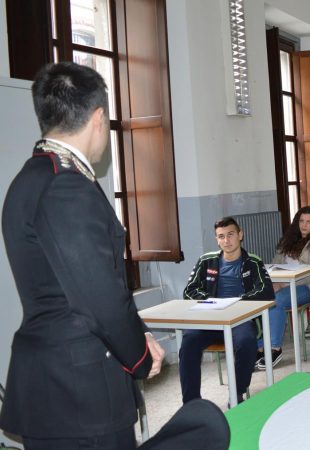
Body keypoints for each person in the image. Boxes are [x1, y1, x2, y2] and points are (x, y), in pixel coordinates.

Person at [0, 62, 171, 449]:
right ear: (98, 117)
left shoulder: (28, 180)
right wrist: (140, 355)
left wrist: (139, 332)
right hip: (81, 389)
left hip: (52, 384)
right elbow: (100, 298)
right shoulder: (67, 188)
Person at [180, 217, 274, 403]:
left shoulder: (253, 261)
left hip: (240, 319)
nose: (226, 241)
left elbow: (266, 291)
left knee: (247, 341)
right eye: (221, 236)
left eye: (230, 235)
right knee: (189, 341)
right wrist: (210, 302)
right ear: (216, 239)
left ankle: (237, 392)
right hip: (211, 319)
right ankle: (191, 402)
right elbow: (189, 290)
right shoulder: (206, 261)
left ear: (240, 235)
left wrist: (238, 302)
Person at [269, 206, 310, 365]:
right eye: (302, 221)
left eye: (309, 222)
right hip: (283, 284)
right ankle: (259, 348)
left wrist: (283, 284)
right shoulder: (288, 240)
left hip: (307, 288)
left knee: (276, 301)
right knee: (263, 299)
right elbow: (275, 263)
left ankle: (274, 349)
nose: (304, 225)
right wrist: (274, 281)